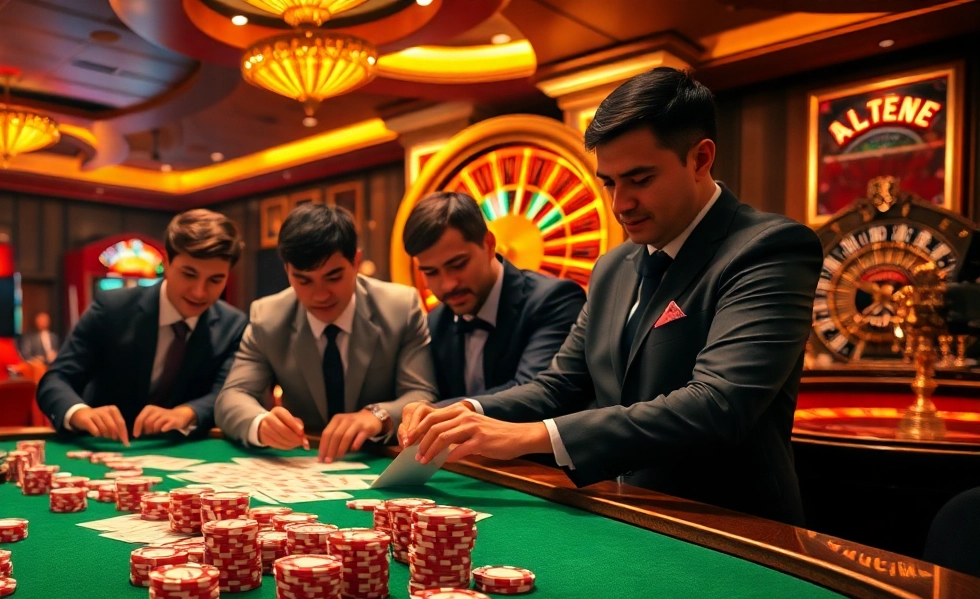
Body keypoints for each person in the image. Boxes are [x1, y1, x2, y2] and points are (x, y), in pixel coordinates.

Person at [398, 67, 822, 524]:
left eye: (639, 179)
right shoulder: (612, 267)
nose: (620, 204)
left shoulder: (769, 248)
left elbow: (717, 404)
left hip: (737, 530)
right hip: (630, 515)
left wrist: (528, 436)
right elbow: (559, 384)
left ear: (700, 158)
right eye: (610, 183)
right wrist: (464, 412)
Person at [215, 204, 437, 462]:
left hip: (380, 457)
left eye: (333, 277)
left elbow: (422, 395)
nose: (320, 295)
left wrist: (376, 416)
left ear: (356, 261)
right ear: (287, 271)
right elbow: (232, 397)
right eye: (304, 280)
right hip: (303, 463)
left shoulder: (400, 307)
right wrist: (261, 423)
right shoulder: (267, 317)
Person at [36, 209, 249, 443]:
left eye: (215, 280)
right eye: (189, 274)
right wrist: (80, 412)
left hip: (179, 451)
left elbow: (225, 394)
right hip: (107, 447)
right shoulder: (112, 308)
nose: (199, 292)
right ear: (166, 263)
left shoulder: (233, 325)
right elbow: (56, 379)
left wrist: (186, 413)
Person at [405, 190, 586, 403]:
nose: (448, 284)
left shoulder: (554, 300)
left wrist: (432, 414)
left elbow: (533, 392)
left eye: (458, 264)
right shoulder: (436, 322)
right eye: (431, 272)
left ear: (489, 244)